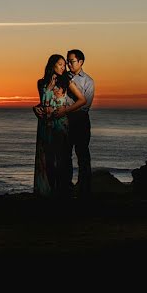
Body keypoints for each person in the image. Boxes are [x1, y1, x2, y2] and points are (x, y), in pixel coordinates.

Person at [33, 54, 85, 197]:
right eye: (61, 64)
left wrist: (65, 110)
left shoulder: (66, 81)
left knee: (60, 159)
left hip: (60, 124)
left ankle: (61, 192)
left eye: (65, 65)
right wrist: (35, 108)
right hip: (44, 124)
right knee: (47, 160)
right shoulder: (41, 83)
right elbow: (44, 102)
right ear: (52, 65)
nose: (64, 67)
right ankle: (49, 192)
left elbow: (82, 100)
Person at [63, 49, 95, 198]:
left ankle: (84, 190)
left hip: (81, 121)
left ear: (81, 62)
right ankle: (66, 188)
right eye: (67, 61)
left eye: (72, 61)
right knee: (65, 156)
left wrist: (66, 110)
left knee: (82, 156)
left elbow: (85, 105)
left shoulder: (88, 81)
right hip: (65, 121)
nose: (69, 64)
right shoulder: (63, 77)